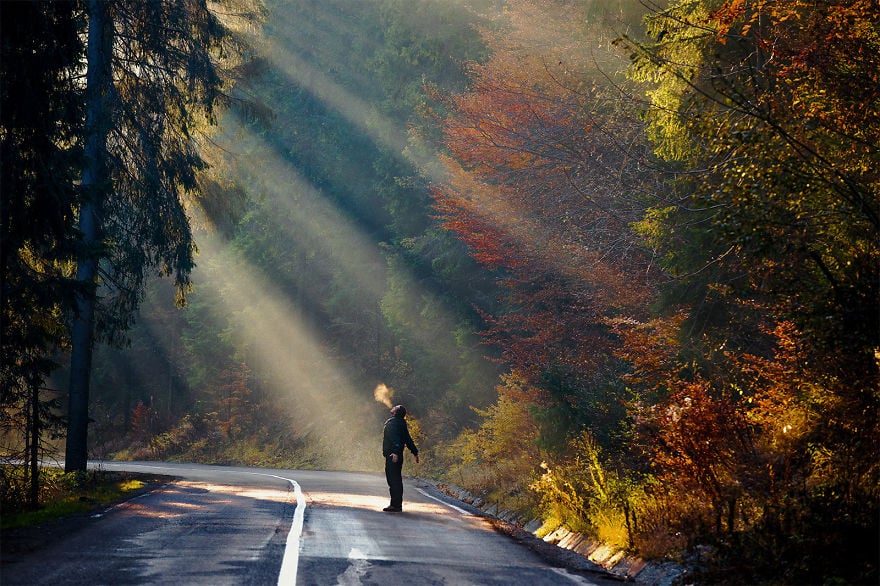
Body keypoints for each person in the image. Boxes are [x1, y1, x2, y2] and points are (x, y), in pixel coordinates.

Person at [381, 404, 419, 512]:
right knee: (396, 479)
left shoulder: (393, 423)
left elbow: (395, 439)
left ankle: (395, 505)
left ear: (396, 412)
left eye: (395, 407)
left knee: (393, 480)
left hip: (393, 455)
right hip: (397, 455)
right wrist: (415, 452)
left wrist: (395, 452)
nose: (392, 407)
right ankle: (396, 504)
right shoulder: (401, 422)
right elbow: (408, 439)